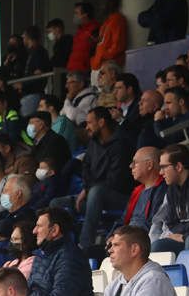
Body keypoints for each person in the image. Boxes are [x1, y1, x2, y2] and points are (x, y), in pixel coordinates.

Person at [52, 107, 134, 250]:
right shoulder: (93, 143)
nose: (87, 127)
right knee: (56, 203)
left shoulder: (121, 143)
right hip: (93, 195)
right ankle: (63, 248)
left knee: (97, 192)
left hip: (119, 197)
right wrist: (86, 188)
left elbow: (116, 180)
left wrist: (89, 190)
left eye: (90, 123)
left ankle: (84, 245)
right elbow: (86, 168)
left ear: (101, 122)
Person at [28, 208, 93, 296]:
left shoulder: (70, 258)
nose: (34, 231)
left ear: (54, 230)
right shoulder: (41, 255)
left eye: (39, 226)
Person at [112, 146, 166, 233]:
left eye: (135, 162)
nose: (130, 166)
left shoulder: (163, 190)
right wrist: (112, 235)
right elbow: (123, 220)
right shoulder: (137, 191)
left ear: (149, 165)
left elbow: (154, 225)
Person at [67, 2, 99, 73]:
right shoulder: (79, 30)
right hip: (73, 69)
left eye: (76, 13)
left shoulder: (94, 29)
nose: (74, 16)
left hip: (84, 71)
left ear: (85, 14)